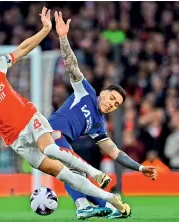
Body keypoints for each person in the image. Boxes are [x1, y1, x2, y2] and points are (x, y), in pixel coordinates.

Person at [0, 7, 131, 217]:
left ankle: (95, 173)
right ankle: (109, 199)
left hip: (30, 119)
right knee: (64, 175)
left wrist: (45, 29)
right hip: (15, 140)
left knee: (50, 150)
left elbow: (23, 49)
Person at [49, 11, 158, 219]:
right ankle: (83, 206)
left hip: (60, 141)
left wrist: (140, 167)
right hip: (51, 133)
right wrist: (63, 37)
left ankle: (114, 207)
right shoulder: (86, 92)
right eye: (111, 98)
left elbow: (115, 153)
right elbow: (72, 65)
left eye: (116, 104)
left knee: (76, 174)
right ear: (103, 93)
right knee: (74, 170)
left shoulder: (97, 125)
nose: (112, 104)